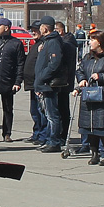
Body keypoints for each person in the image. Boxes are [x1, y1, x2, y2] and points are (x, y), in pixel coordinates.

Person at [74, 30, 104, 165]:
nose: (89, 42)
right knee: (90, 127)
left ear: (99, 42)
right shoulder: (87, 57)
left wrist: (101, 76)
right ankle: (94, 154)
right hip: (89, 95)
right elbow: (79, 70)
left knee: (103, 127)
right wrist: (82, 79)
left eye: (92, 40)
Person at [0, 18, 26, 143]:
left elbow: (20, 64)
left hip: (8, 81)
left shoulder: (16, 43)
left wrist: (18, 81)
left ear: (7, 28)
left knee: (8, 109)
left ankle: (7, 133)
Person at [33, 16, 64, 153]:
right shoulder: (46, 42)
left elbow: (54, 64)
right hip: (43, 84)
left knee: (52, 115)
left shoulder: (53, 42)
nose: (39, 28)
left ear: (45, 28)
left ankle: (54, 141)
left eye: (41, 26)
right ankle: (49, 139)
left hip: (48, 84)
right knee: (47, 114)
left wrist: (41, 77)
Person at [54, 21, 78, 143]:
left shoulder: (67, 43)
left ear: (60, 31)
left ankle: (63, 134)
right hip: (62, 80)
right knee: (59, 108)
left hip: (64, 81)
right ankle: (59, 133)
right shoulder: (64, 42)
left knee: (63, 109)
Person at [22, 20, 46, 144]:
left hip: (39, 84)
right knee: (34, 111)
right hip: (32, 84)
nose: (33, 32)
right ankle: (37, 133)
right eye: (32, 29)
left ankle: (42, 135)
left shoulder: (44, 44)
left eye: (36, 30)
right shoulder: (36, 44)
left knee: (41, 111)